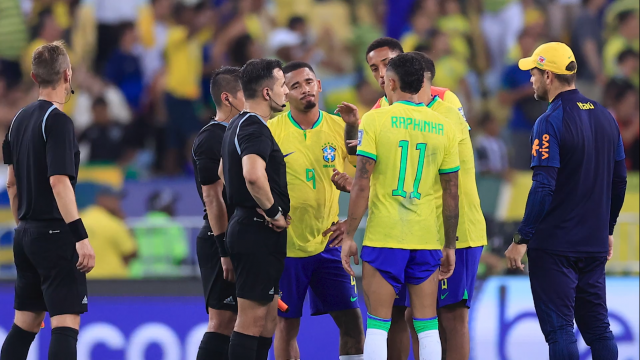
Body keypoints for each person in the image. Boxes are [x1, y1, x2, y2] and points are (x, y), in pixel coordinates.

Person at [505, 42, 627, 360]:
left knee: (560, 332)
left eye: (533, 72)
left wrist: (522, 238)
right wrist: (609, 228)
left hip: (555, 246)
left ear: (548, 75)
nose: (530, 79)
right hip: (594, 243)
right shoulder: (606, 117)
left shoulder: (549, 121)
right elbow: (620, 181)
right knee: (599, 329)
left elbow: (543, 187)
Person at [341, 53, 460, 360]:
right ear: (423, 83)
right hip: (426, 237)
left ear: (391, 83)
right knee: (427, 325)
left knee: (378, 325)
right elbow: (451, 193)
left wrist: (349, 235)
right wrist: (449, 244)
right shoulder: (444, 125)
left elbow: (363, 182)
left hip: (385, 236)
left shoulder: (376, 120)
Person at [0, 41, 95, 360]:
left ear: (34, 76)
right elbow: (59, 181)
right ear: (68, 75)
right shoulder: (57, 121)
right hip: (55, 234)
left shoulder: (17, 121)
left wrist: (24, 226)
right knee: (65, 324)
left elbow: (12, 183)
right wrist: (80, 236)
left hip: (25, 232)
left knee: (24, 325)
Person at [268, 61, 364, 360]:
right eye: (295, 85)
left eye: (309, 82)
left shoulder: (340, 128)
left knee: (352, 322)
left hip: (328, 243)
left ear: (319, 85)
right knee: (286, 326)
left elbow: (368, 180)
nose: (304, 89)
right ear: (285, 93)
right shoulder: (271, 131)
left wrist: (349, 222)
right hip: (286, 246)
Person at [221, 58, 291, 360]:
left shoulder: (238, 123)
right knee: (251, 320)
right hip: (256, 231)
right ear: (266, 92)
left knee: (267, 320)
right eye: (282, 85)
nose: (286, 91)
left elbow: (225, 173)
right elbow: (252, 174)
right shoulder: (254, 126)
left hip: (251, 229)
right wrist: (273, 211)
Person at [192, 66, 245, 360]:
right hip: (218, 235)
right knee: (222, 320)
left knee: (243, 321)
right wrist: (223, 248)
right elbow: (213, 198)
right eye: (243, 94)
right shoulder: (211, 137)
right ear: (227, 98)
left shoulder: (240, 131)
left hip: (237, 234)